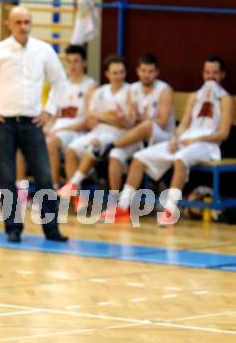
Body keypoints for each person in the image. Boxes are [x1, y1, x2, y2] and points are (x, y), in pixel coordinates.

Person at [0, 6, 68, 243]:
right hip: (3, 123)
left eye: (27, 22)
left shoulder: (43, 50)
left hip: (32, 123)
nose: (23, 26)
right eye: (18, 22)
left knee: (44, 176)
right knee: (7, 177)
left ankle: (52, 230)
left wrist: (49, 111)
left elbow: (60, 81)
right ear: (9, 25)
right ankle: (13, 228)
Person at [114, 56, 233, 225]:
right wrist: (174, 138)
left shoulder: (225, 99)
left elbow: (223, 134)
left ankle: (169, 210)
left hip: (208, 144)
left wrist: (197, 138)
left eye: (214, 73)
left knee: (180, 159)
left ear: (222, 75)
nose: (210, 76)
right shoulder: (195, 96)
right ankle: (123, 207)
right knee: (139, 158)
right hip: (186, 141)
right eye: (207, 72)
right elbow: (183, 125)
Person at [101, 54, 174, 217]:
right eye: (143, 70)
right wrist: (122, 117)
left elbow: (161, 121)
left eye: (150, 71)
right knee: (115, 155)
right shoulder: (133, 89)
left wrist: (139, 120)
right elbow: (130, 122)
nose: (146, 74)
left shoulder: (164, 89)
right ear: (138, 71)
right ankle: (115, 203)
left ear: (157, 73)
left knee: (147, 125)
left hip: (162, 137)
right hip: (137, 136)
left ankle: (114, 144)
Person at [58, 55, 133, 209]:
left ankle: (73, 184)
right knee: (72, 150)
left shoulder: (131, 91)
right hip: (98, 132)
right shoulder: (100, 91)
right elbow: (91, 117)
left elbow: (127, 123)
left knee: (96, 146)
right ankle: (78, 199)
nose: (119, 76)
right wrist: (111, 117)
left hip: (119, 133)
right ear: (107, 74)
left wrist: (105, 118)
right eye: (115, 73)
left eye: (121, 72)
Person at [44, 44, 98, 187]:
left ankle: (53, 189)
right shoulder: (60, 85)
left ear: (84, 63)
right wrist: (46, 127)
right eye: (69, 61)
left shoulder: (91, 86)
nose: (72, 65)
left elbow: (88, 121)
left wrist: (57, 130)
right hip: (58, 129)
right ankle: (21, 187)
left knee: (51, 143)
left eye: (76, 61)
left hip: (76, 130)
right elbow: (51, 116)